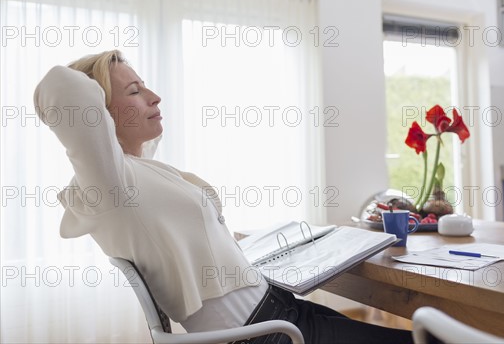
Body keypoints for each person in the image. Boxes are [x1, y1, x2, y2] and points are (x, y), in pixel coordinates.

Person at [34, 50, 414, 344]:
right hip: (267, 334)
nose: (155, 97)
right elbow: (62, 86)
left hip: (280, 313)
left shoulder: (140, 173)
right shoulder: (111, 185)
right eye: (135, 91)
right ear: (97, 113)